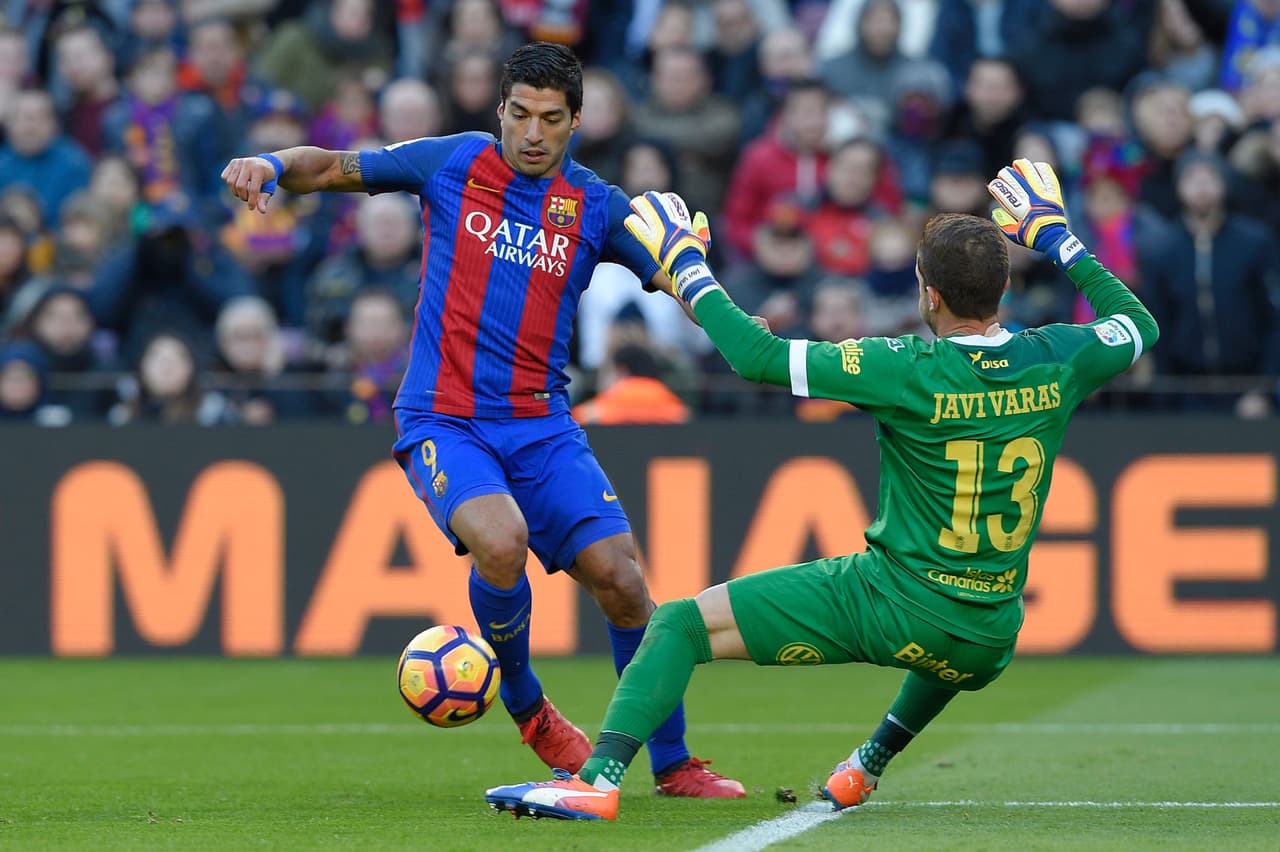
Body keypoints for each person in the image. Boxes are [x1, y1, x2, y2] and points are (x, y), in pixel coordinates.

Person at [483, 157, 1160, 821]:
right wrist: (1057, 235)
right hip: (992, 633)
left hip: (891, 601)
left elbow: (757, 357)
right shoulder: (1060, 355)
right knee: (956, 637)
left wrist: (688, 266)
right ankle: (867, 765)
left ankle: (597, 780)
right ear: (1005, 291)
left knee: (679, 623)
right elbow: (1139, 325)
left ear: (929, 295)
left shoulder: (907, 367)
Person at [220, 41, 742, 798]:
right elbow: (332, 166)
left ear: (576, 124)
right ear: (499, 111)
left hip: (541, 424)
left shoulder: (595, 205)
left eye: (551, 119)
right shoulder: (453, 163)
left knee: (625, 584)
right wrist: (270, 163)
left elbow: (672, 272)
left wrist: (702, 276)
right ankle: (529, 707)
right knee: (501, 541)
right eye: (520, 115)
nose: (533, 133)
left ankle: (672, 761)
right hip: (444, 417)